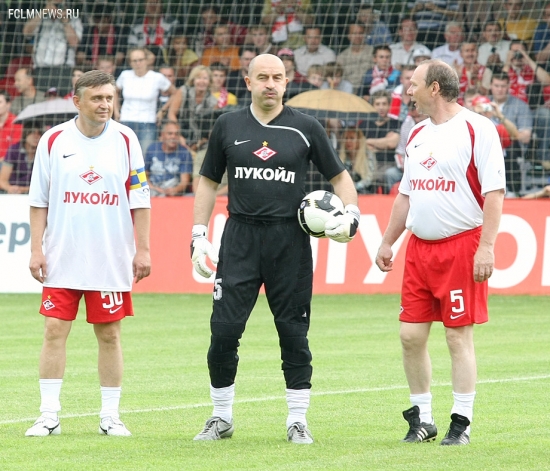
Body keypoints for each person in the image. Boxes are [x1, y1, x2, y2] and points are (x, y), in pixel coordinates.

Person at [191, 53, 359, 444]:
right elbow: (207, 183)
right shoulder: (227, 124)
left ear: (287, 82)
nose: (270, 83)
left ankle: (297, 420)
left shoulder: (306, 128)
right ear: (247, 82)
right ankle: (221, 417)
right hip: (240, 239)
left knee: (294, 334)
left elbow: (341, 177)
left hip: (290, 243)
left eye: (278, 77)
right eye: (262, 77)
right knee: (224, 331)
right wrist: (199, 235)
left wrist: (351, 214)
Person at [375, 59, 505, 446]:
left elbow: (494, 194)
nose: (407, 91)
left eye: (412, 84)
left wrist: (486, 247)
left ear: (434, 88)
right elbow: (405, 194)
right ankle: (423, 420)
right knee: (410, 336)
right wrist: (387, 240)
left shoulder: (477, 129)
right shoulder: (416, 132)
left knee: (456, 337)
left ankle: (461, 422)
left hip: (462, 246)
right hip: (419, 250)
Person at [25, 70, 151, 437]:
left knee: (110, 334)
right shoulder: (53, 141)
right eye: (97, 98)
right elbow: (39, 201)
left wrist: (143, 249)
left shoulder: (127, 140)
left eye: (110, 98)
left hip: (110, 257)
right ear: (76, 100)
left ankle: (110, 416)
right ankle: (49, 415)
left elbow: (140, 199)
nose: (105, 105)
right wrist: (37, 249)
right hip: (63, 255)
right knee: (53, 331)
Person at [116, 48, 176, 152]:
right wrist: (116, 110)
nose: (138, 63)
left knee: (144, 156)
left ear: (146, 60)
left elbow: (175, 93)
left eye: (141, 60)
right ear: (130, 62)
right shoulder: (125, 75)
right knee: (123, 154)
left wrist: (163, 111)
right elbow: (113, 91)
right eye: (134, 60)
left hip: (148, 123)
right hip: (126, 121)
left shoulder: (157, 77)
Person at [489, 72, 533, 193]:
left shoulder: (520, 106)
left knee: (509, 145)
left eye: (503, 86)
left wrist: (501, 118)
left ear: (509, 86)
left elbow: (525, 137)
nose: (499, 89)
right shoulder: (483, 104)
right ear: (490, 86)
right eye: (496, 86)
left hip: (512, 148)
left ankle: (513, 191)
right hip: (486, 147)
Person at [167, 65, 219, 151]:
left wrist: (198, 144)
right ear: (193, 80)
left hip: (201, 142)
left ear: (209, 81)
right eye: (198, 78)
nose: (202, 81)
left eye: (205, 78)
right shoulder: (183, 91)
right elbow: (171, 114)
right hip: (179, 135)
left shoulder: (213, 102)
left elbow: (212, 128)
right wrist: (178, 136)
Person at [360, 90, 400, 192]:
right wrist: (384, 142)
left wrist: (369, 141)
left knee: (379, 177)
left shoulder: (396, 123)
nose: (381, 107)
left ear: (389, 105)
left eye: (384, 104)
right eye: (377, 104)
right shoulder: (364, 124)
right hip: (367, 164)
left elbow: (392, 143)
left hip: (389, 164)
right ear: (372, 105)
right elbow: (361, 145)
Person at [22, 1, 83, 68]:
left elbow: (74, 43)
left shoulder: (74, 20)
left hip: (64, 69)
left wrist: (65, 20)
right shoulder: (40, 19)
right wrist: (43, 11)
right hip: (40, 67)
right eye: (54, 4)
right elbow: (26, 33)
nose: (56, 8)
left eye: (59, 5)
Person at [145, 120, 193, 196]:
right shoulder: (152, 148)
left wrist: (175, 190)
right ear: (162, 135)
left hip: (174, 192)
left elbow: (185, 181)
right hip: (152, 189)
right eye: (170, 133)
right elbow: (144, 174)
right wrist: (152, 187)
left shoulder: (185, 152)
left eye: (176, 134)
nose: (173, 136)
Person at [127, 0, 179, 66]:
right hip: (141, 63)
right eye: (150, 3)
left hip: (167, 63)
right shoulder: (136, 26)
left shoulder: (172, 24)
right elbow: (131, 49)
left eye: (156, 2)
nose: (153, 6)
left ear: (162, 5)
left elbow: (176, 49)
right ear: (144, 6)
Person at [76, 3, 127, 68]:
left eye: (103, 20)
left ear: (109, 19)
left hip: (112, 68)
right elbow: (80, 56)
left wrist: (104, 65)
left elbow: (120, 58)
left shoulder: (119, 31)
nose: (99, 24)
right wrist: (94, 64)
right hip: (91, 67)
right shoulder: (88, 31)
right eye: (97, 20)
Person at [0, 122, 42, 194]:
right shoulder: (14, 150)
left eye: (39, 133)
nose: (36, 136)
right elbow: (2, 180)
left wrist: (23, 189)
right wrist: (9, 188)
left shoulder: (43, 152)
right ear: (25, 134)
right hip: (12, 192)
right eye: (32, 133)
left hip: (35, 193)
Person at [336, 23, 374, 94]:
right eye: (354, 33)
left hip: (369, 92)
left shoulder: (373, 52)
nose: (357, 36)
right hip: (348, 94)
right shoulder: (342, 57)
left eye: (360, 33)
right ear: (348, 36)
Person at [339, 126, 376, 194]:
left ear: (359, 140)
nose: (348, 141)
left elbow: (369, 179)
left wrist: (354, 187)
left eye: (352, 138)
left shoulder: (368, 155)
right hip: (346, 191)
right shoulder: (342, 157)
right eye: (346, 138)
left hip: (365, 192)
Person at [0, 90, 22, 160]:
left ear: (8, 104)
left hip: (7, 163)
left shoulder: (16, 123)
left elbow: (14, 152)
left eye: (0, 102)